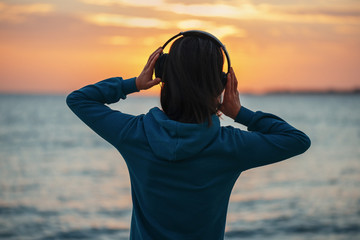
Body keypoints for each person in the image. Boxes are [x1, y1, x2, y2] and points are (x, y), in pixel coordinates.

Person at [66, 32, 311, 240]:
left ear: (163, 73)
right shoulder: (231, 147)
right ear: (221, 84)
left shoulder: (134, 134)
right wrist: (239, 112)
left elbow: (79, 99)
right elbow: (296, 140)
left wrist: (134, 84)